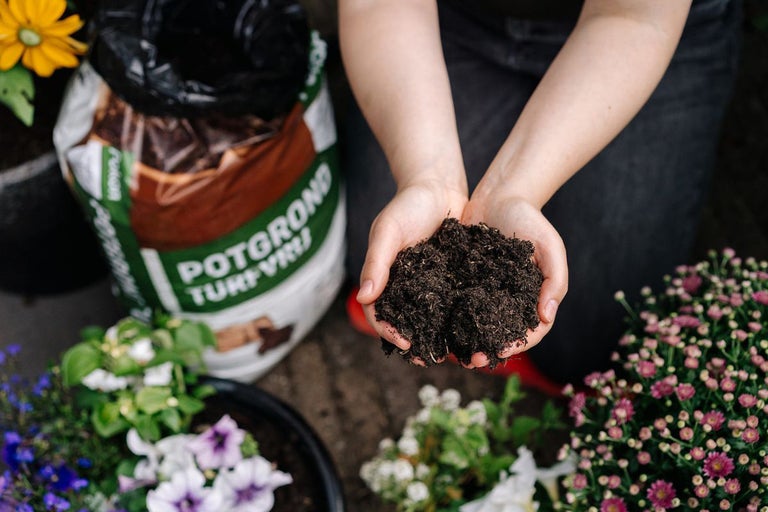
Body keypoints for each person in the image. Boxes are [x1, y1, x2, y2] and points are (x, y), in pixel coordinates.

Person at [339, 0, 742, 386]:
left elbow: (632, 17)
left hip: (633, 33)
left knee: (592, 343)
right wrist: (426, 175)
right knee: (372, 256)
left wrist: (516, 190)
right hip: (458, 21)